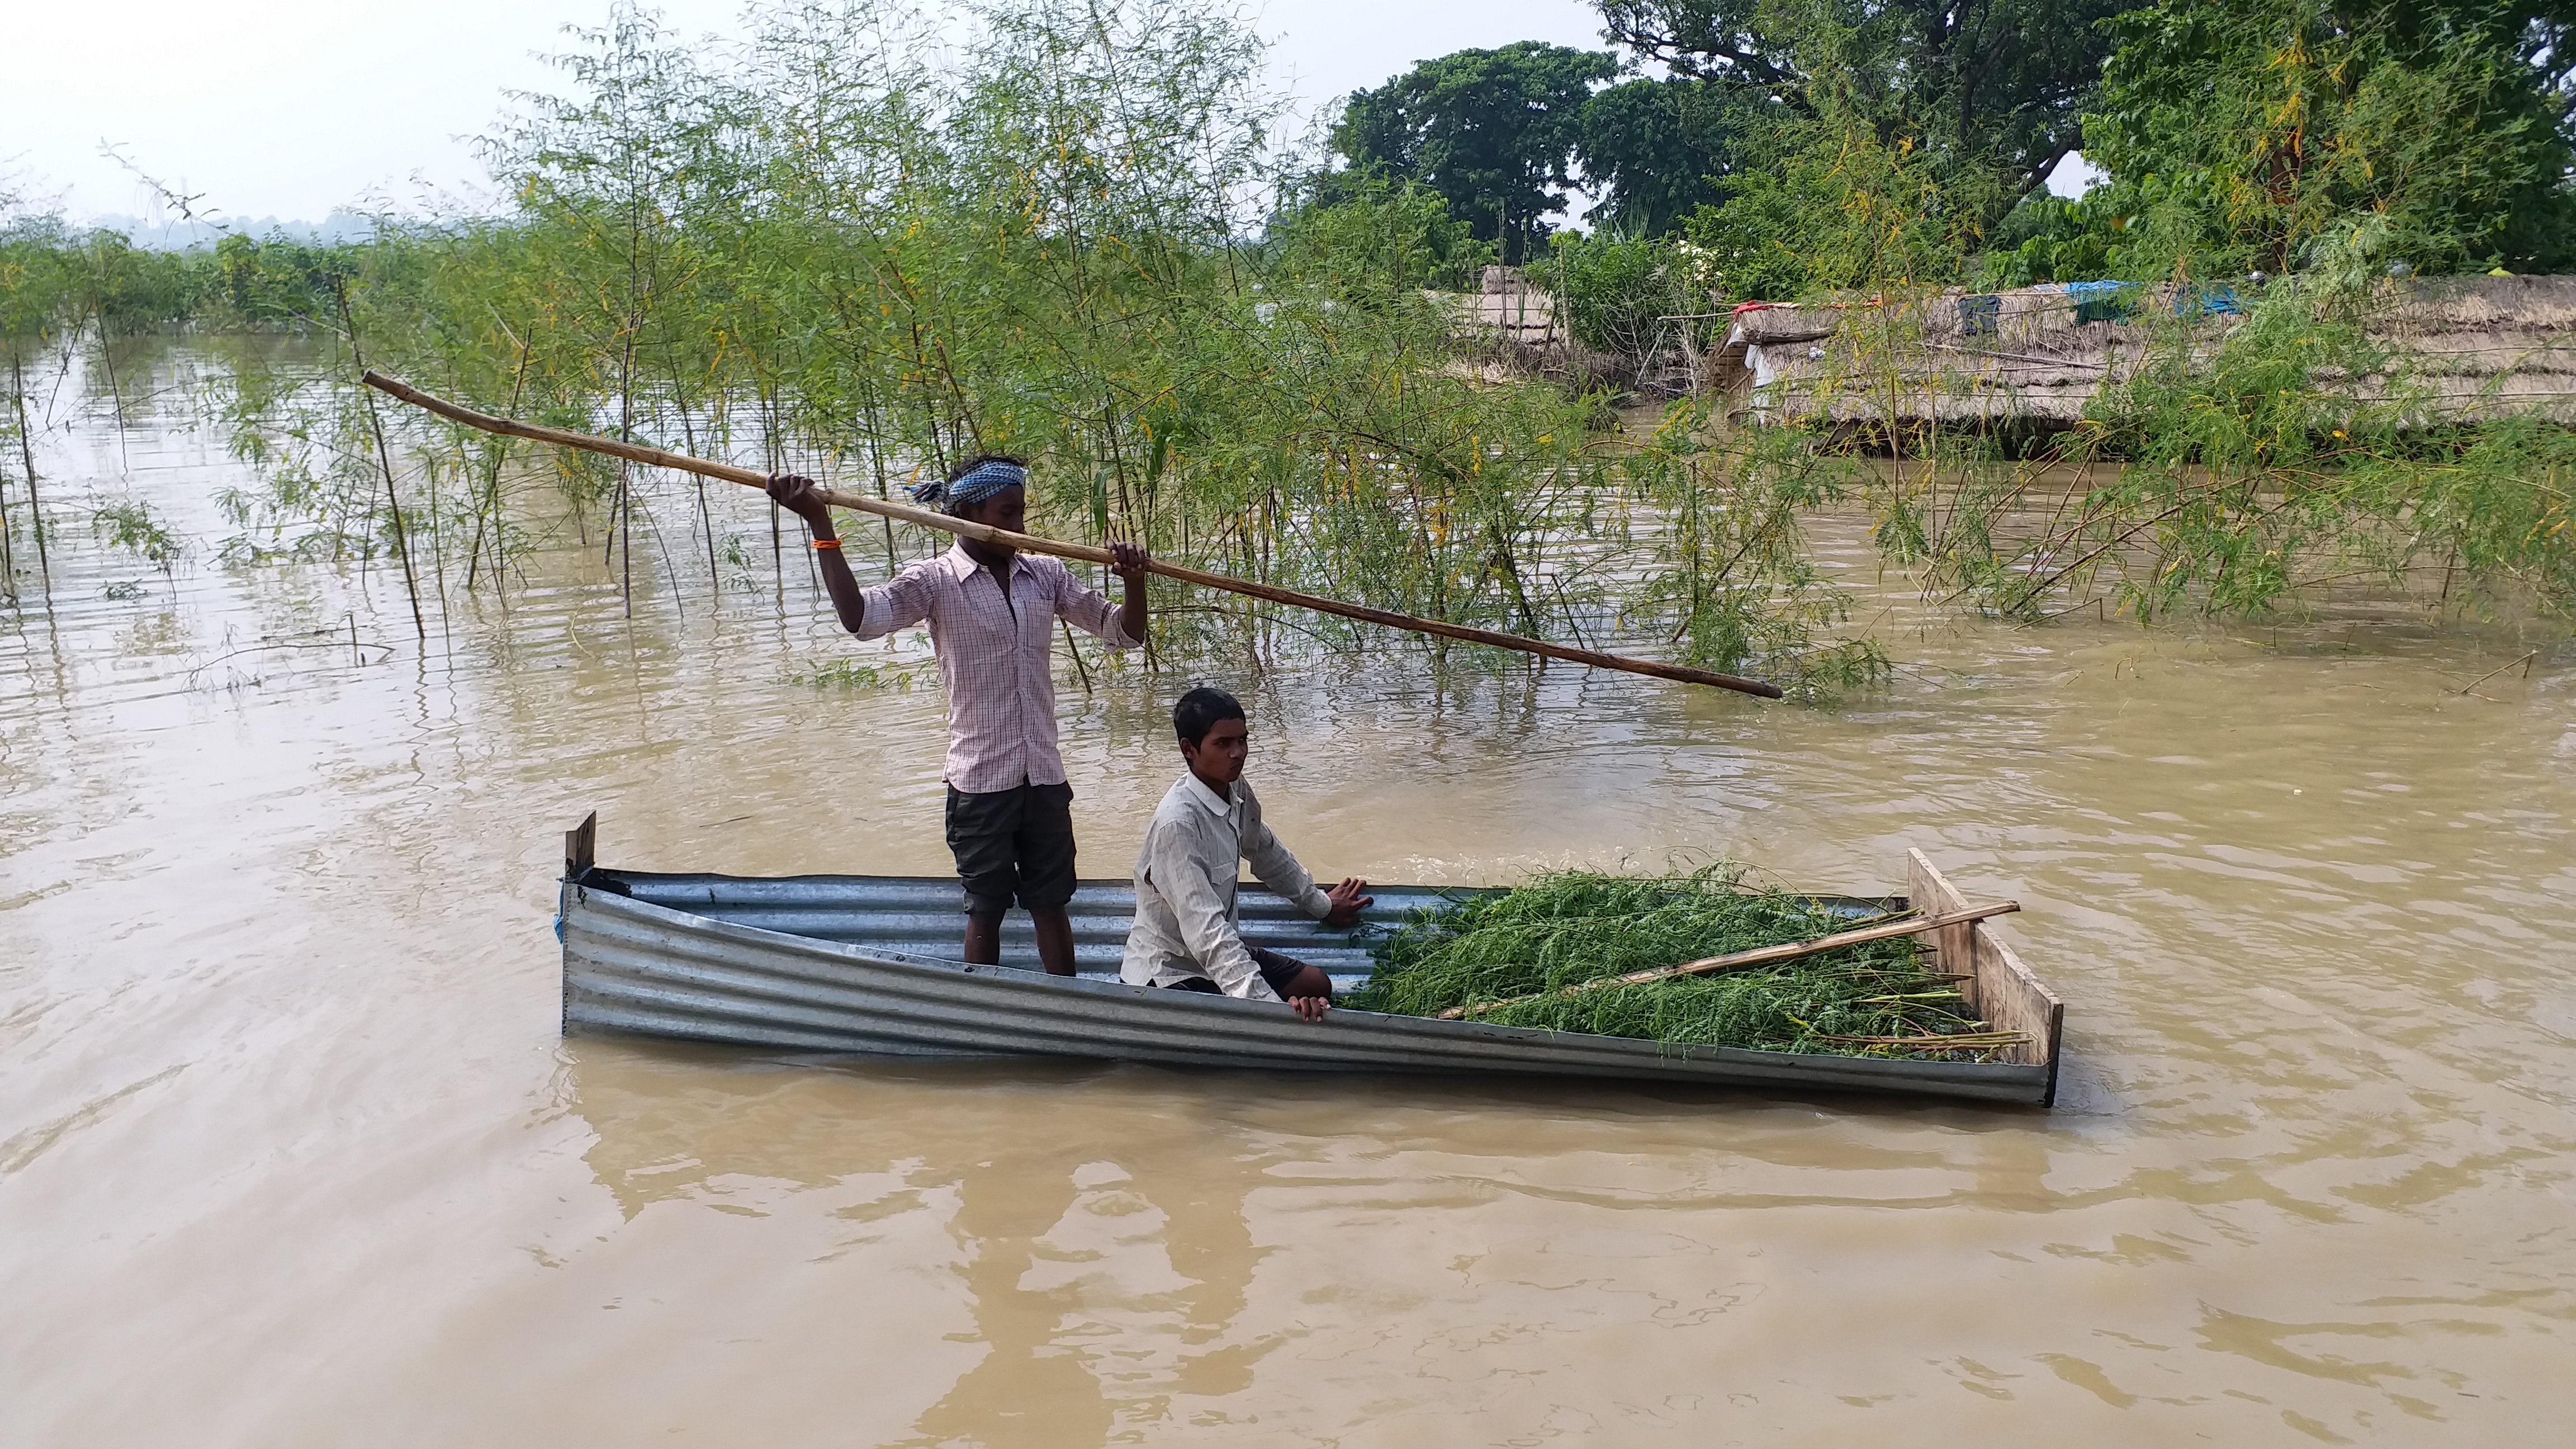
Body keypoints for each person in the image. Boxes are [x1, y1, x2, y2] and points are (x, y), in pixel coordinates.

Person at [767, 456, 1148, 976]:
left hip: (1044, 776)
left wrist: (1133, 580)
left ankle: (1070, 1012)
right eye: (1007, 514)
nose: (1019, 527)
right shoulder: (935, 582)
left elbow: (1123, 634)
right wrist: (821, 526)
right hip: (980, 783)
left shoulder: (1046, 574)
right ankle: (986, 1015)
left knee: (1051, 904)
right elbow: (860, 619)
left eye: (1021, 513)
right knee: (985, 910)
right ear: (968, 512)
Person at [1121, 686, 1370, 1021]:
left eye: (1242, 740)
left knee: (1317, 984)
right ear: (1189, 750)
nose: (1238, 753)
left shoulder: (1234, 788)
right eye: (1223, 744)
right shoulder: (1178, 826)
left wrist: (1321, 904)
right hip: (1172, 972)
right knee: (1291, 1015)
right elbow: (1207, 933)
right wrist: (1271, 1013)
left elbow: (1264, 849)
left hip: (1211, 954)